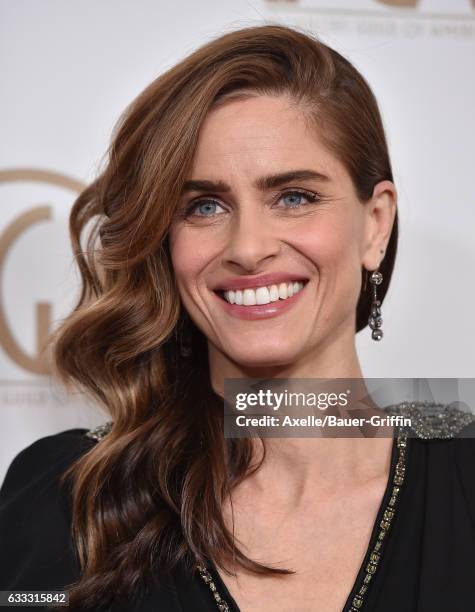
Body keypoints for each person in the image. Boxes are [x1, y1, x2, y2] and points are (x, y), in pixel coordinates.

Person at [1, 24, 474, 612]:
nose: (248, 248)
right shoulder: (67, 494)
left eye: (294, 196)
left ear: (376, 224)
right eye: (204, 206)